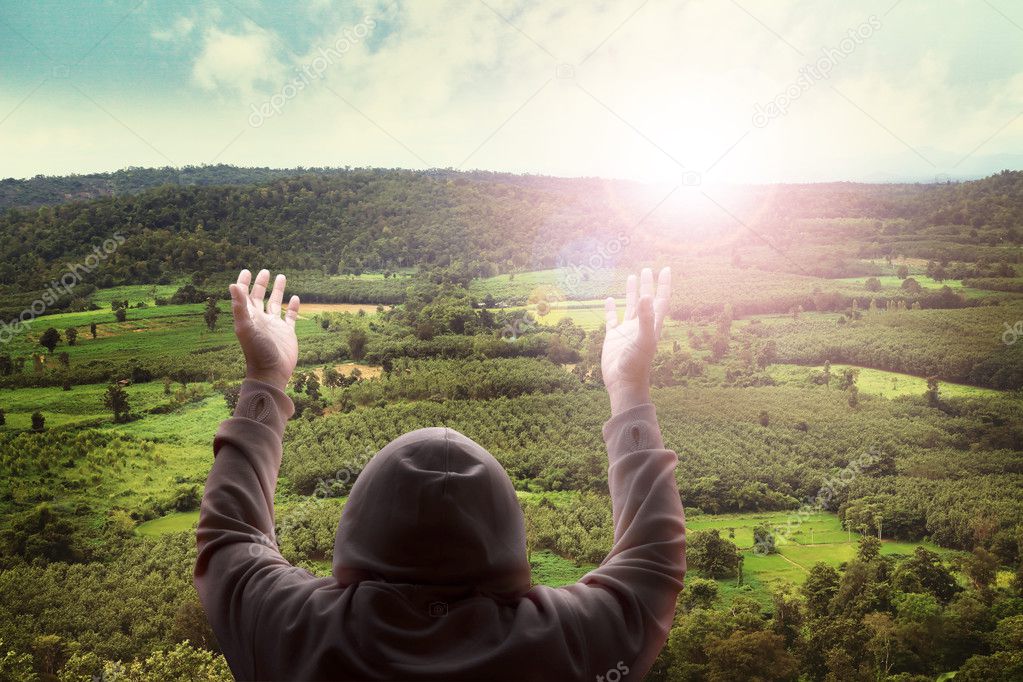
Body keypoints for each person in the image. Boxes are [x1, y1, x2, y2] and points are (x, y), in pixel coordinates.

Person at [195, 266, 686, 681]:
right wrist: (628, 388)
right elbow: (654, 558)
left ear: (359, 521)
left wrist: (265, 379)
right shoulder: (567, 646)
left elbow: (230, 539)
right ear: (508, 532)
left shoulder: (293, 632)